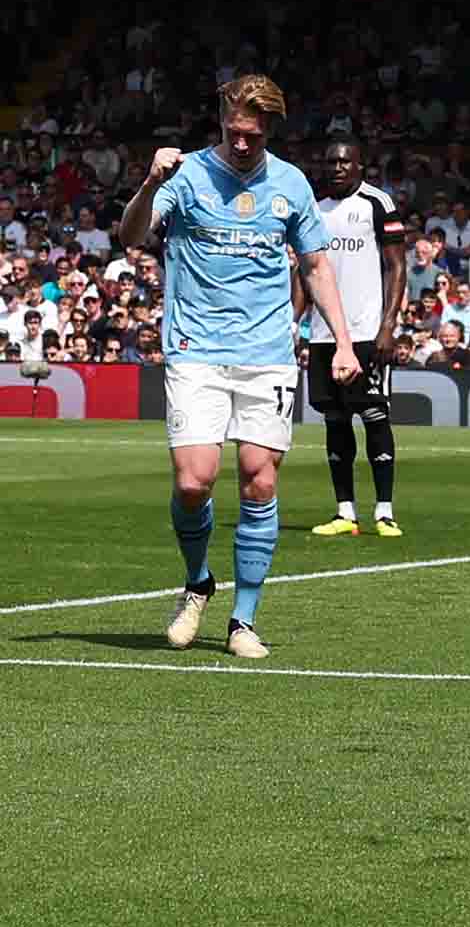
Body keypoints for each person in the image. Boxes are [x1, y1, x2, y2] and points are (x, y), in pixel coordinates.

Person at [118, 76, 360, 660]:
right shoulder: (186, 175)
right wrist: (150, 183)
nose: (242, 143)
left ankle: (242, 620)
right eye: (233, 132)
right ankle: (198, 581)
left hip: (267, 355)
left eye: (252, 134)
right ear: (221, 123)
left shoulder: (291, 185)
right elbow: (130, 235)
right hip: (194, 348)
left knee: (260, 478)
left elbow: (317, 266)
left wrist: (344, 342)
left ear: (269, 129)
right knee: (193, 480)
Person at [301, 137, 408, 538]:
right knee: (334, 419)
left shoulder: (379, 204)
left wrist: (387, 326)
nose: (337, 168)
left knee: (375, 415)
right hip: (324, 333)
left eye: (345, 162)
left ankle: (384, 511)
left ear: (360, 165)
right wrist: (298, 325)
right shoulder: (314, 208)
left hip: (366, 330)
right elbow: (305, 271)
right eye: (331, 162)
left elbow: (396, 267)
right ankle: (345, 511)